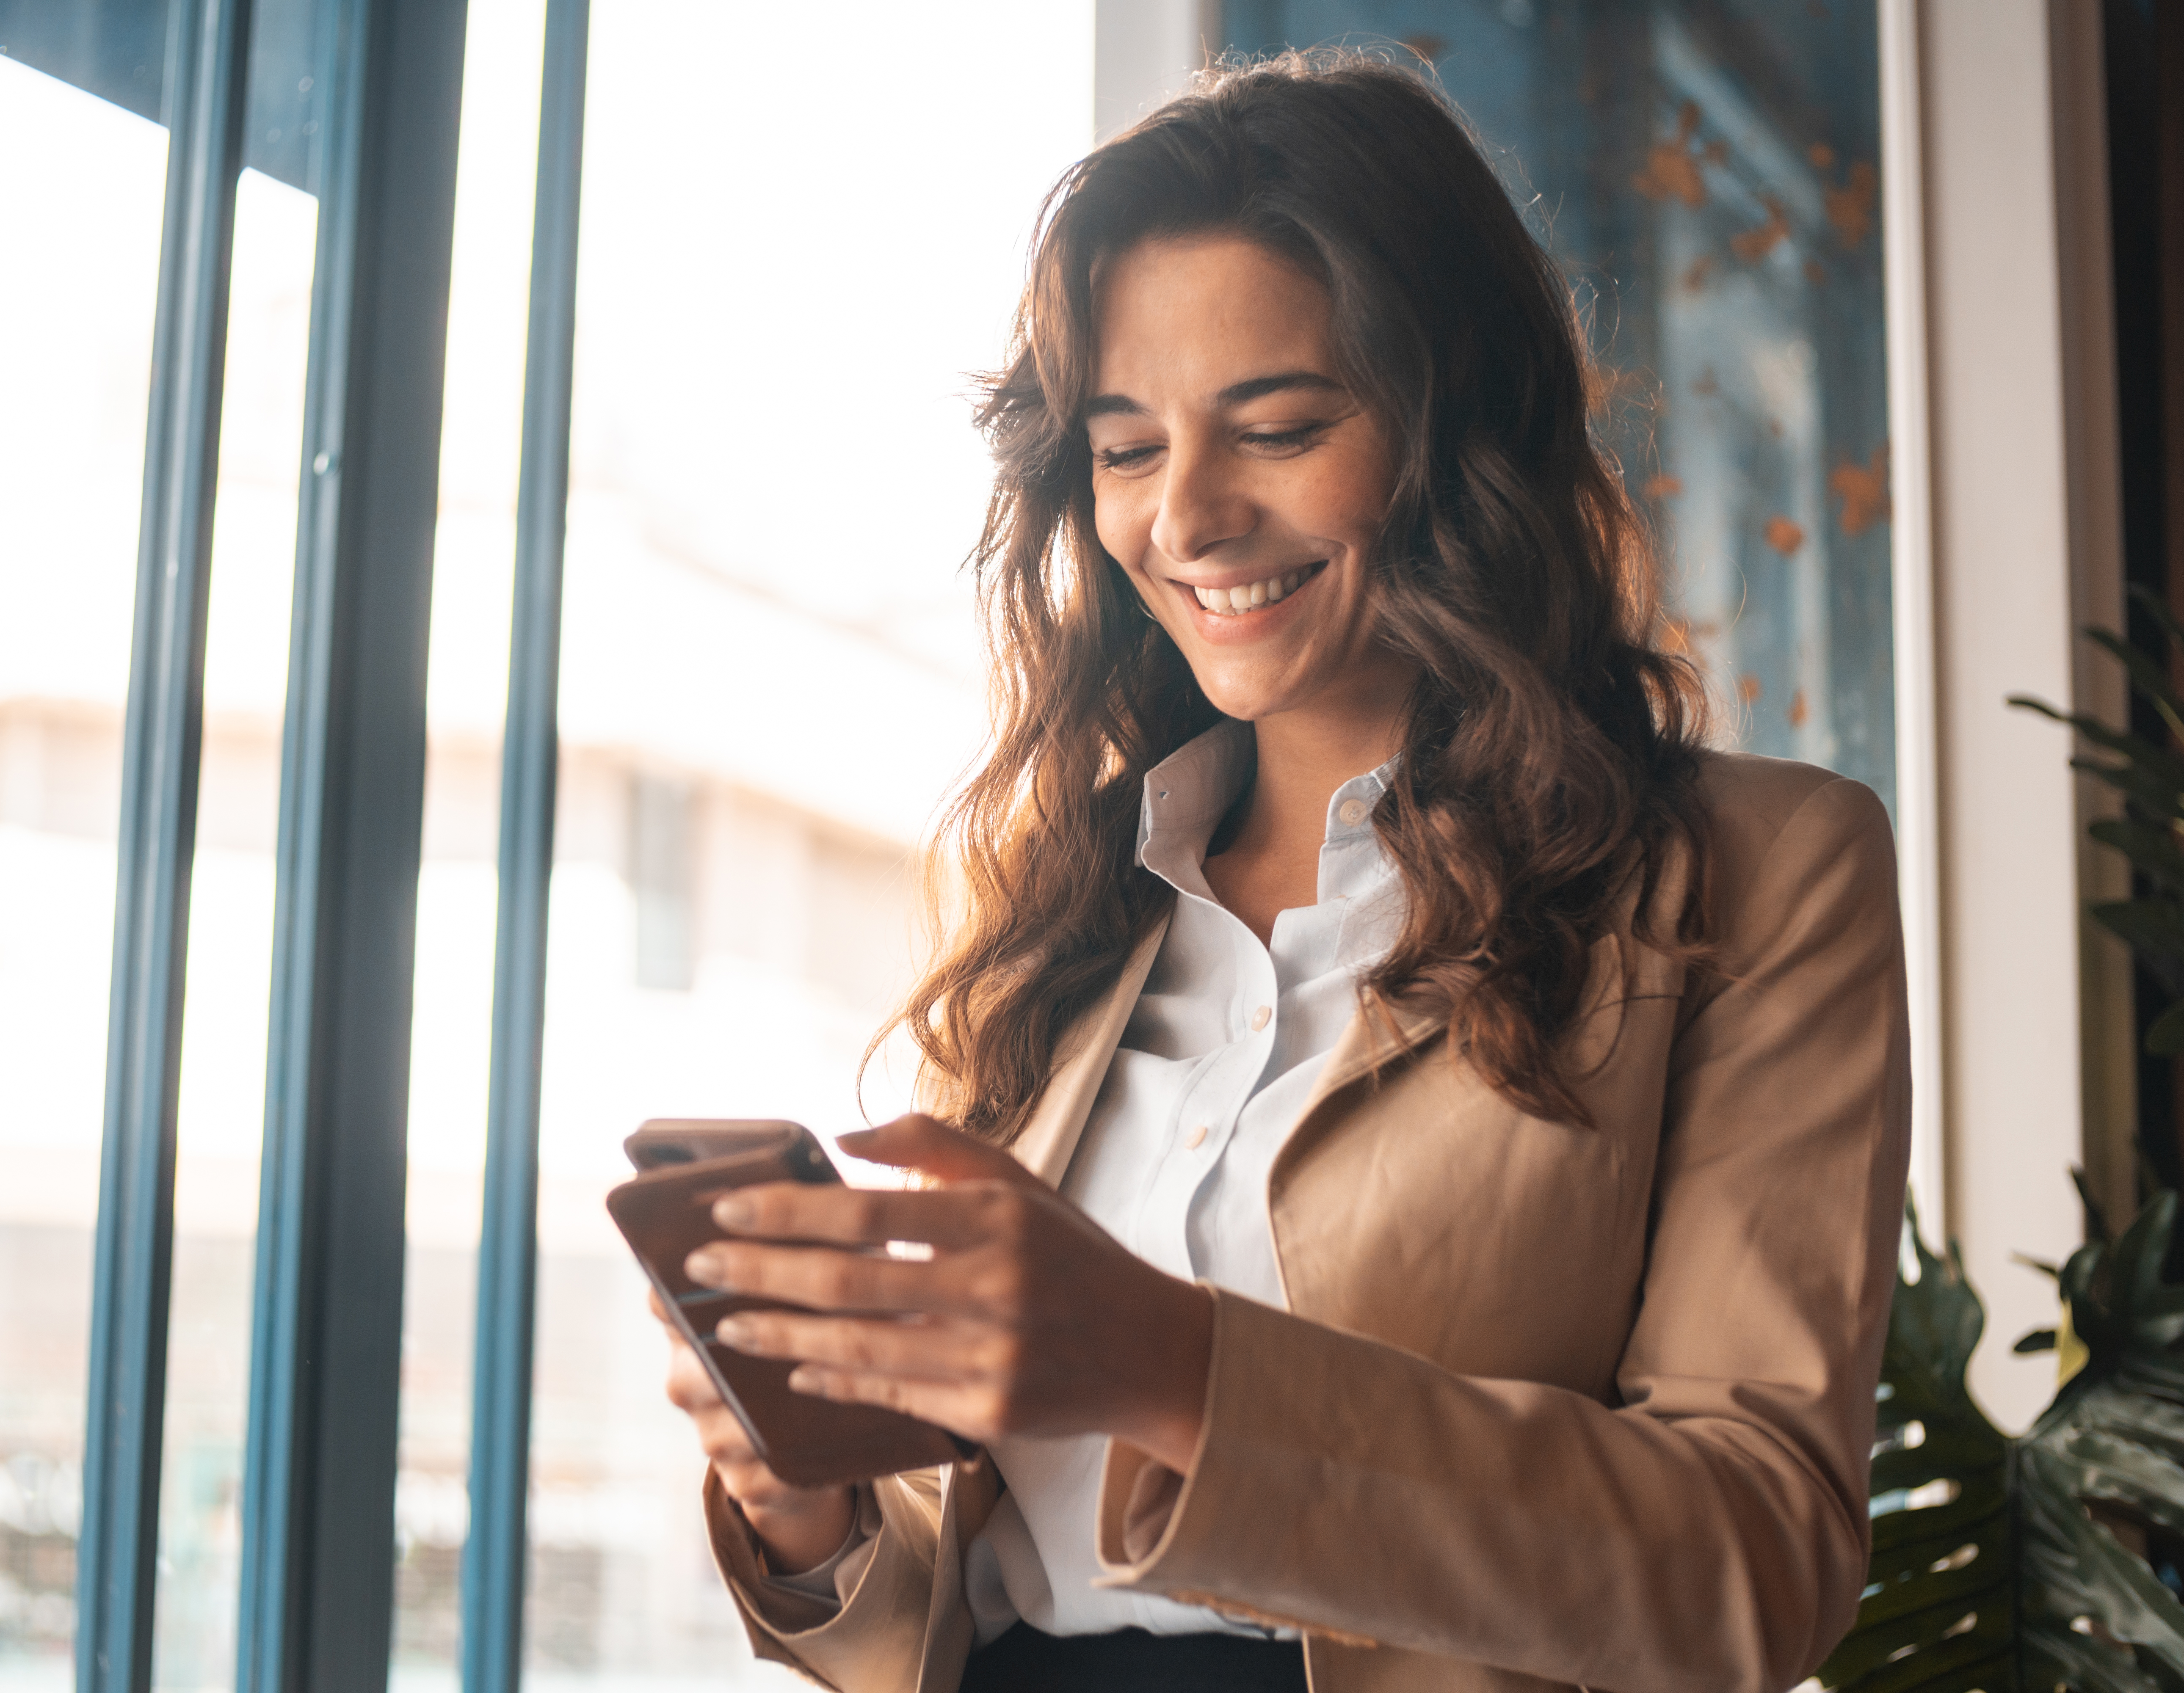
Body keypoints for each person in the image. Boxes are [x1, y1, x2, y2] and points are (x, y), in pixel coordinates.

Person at [654, 49, 1908, 1693]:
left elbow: (1751, 1570)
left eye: (1282, 424)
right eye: (1124, 448)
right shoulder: (1070, 905)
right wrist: (809, 1504)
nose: (1189, 516)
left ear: (1460, 429)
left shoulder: (1754, 875)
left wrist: (1171, 1362)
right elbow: (951, 1617)